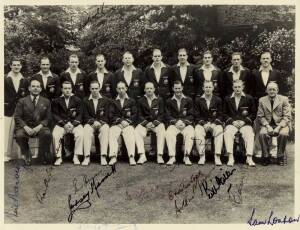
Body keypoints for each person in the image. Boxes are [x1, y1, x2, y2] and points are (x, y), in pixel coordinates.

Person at [14, 79, 52, 165]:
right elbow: (17, 116)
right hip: (25, 127)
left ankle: (42, 155)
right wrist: (25, 127)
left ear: (41, 89)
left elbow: (48, 117)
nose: (35, 88)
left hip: (40, 127)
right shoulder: (22, 101)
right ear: (29, 88)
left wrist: (39, 127)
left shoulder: (46, 101)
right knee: (19, 135)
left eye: (38, 86)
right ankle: (27, 154)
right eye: (33, 86)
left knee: (47, 134)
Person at [223, 80, 256, 166]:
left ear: (243, 87)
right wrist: (232, 121)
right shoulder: (227, 98)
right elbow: (223, 113)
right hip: (232, 123)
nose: (237, 89)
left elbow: (253, 113)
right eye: (235, 87)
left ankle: (249, 157)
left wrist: (244, 121)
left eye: (239, 87)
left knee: (249, 133)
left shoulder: (249, 98)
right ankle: (230, 157)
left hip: (244, 123)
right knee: (227, 132)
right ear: (232, 88)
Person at [257, 82, 291, 166]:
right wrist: (267, 126)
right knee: (262, 133)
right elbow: (260, 116)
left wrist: (278, 127)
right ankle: (266, 156)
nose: (272, 91)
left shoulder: (284, 99)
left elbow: (287, 116)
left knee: (283, 133)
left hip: (281, 124)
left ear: (277, 90)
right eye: (270, 89)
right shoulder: (262, 100)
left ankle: (280, 156)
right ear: (266, 90)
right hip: (267, 124)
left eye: (274, 89)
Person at [52, 81, 84, 166]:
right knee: (56, 134)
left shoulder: (77, 100)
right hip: (62, 124)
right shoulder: (56, 101)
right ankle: (58, 157)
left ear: (71, 89)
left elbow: (80, 114)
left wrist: (73, 124)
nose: (67, 90)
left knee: (80, 133)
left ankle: (76, 156)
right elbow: (55, 115)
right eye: (65, 88)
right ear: (62, 89)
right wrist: (64, 124)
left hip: (74, 124)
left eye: (69, 88)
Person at [4, 57, 29, 161]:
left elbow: (26, 95)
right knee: (6, 132)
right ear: (10, 66)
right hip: (7, 109)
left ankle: (22, 154)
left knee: (20, 132)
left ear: (21, 66)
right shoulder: (4, 78)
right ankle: (6, 154)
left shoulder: (25, 80)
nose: (16, 67)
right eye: (14, 65)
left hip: (20, 111)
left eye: (18, 65)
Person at [134, 82, 166, 164]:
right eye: (147, 88)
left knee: (162, 128)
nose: (149, 90)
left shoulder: (160, 100)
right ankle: (142, 155)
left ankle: (159, 155)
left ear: (154, 89)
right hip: (145, 124)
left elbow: (161, 114)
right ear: (144, 90)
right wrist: (146, 123)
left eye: (151, 88)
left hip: (156, 124)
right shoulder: (140, 100)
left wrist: (154, 123)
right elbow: (139, 115)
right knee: (137, 130)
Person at [165, 80, 195, 165]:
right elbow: (168, 115)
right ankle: (172, 157)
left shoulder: (188, 100)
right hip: (174, 125)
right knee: (168, 133)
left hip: (186, 124)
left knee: (191, 132)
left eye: (179, 88)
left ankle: (186, 157)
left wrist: (184, 122)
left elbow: (191, 115)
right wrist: (176, 122)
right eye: (176, 88)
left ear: (182, 88)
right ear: (173, 89)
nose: (178, 90)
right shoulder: (169, 101)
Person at [194, 81, 223, 165]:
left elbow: (220, 115)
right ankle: (202, 156)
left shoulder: (218, 99)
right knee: (198, 131)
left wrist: (214, 123)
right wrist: (204, 124)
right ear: (203, 88)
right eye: (206, 87)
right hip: (202, 124)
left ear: (213, 88)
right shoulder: (198, 100)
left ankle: (217, 156)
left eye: (209, 87)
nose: (208, 89)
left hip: (214, 123)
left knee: (219, 130)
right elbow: (196, 115)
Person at [108, 81, 137, 166]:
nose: (121, 90)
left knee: (130, 133)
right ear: (116, 89)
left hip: (128, 124)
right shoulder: (113, 101)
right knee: (112, 132)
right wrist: (120, 121)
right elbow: (111, 115)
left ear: (126, 89)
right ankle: (113, 156)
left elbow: (135, 114)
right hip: (117, 124)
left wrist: (127, 122)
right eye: (119, 88)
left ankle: (131, 156)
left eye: (123, 88)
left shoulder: (131, 101)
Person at [82, 81, 110, 166]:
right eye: (93, 88)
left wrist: (100, 122)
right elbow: (85, 116)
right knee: (86, 129)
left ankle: (103, 156)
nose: (94, 90)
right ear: (90, 89)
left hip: (102, 123)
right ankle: (86, 156)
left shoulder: (106, 100)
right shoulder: (85, 100)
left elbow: (107, 115)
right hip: (90, 123)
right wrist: (93, 122)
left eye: (96, 88)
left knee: (105, 129)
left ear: (100, 88)